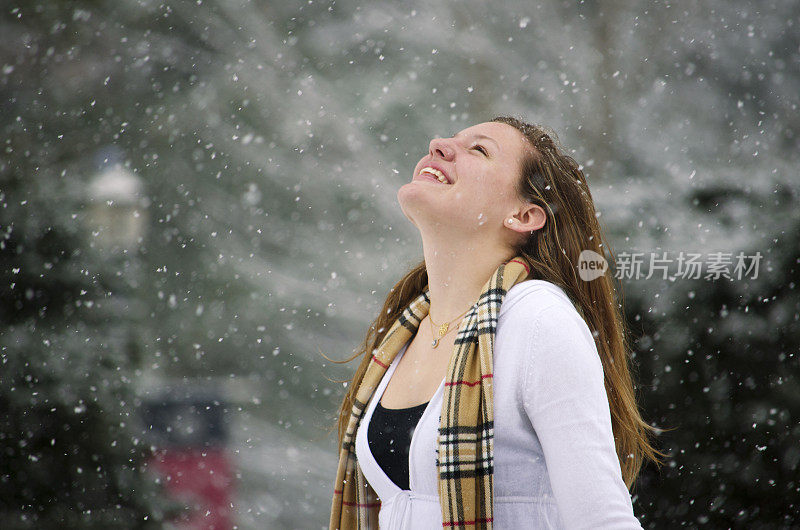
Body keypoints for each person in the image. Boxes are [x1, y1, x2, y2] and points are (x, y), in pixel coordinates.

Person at [328, 116, 667, 529]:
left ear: (523, 216)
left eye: (479, 150)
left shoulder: (539, 321)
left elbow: (602, 520)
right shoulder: (403, 333)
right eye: (449, 138)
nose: (438, 143)